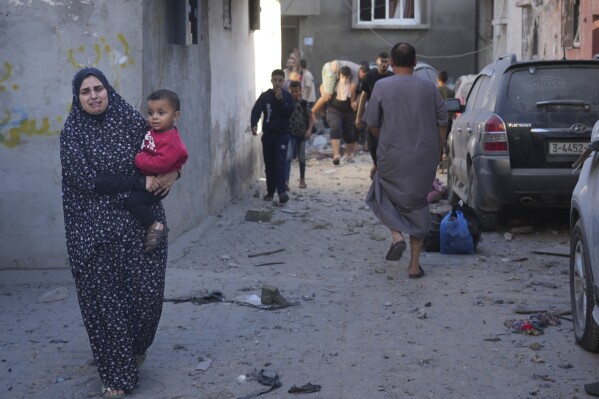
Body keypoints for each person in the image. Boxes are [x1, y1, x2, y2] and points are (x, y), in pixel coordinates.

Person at [60, 67, 181, 398]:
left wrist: (175, 173)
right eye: (86, 91)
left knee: (147, 300)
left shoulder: (128, 119)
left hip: (140, 224)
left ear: (108, 90)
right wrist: (138, 182)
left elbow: (166, 143)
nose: (94, 95)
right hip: (93, 230)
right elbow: (85, 181)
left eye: (99, 88)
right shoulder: (73, 133)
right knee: (106, 304)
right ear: (78, 97)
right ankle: (116, 375)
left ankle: (136, 348)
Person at [363, 43, 448, 278]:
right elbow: (443, 120)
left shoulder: (381, 86)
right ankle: (413, 266)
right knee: (418, 204)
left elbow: (370, 123)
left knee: (380, 192)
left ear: (391, 62)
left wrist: (386, 136)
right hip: (424, 157)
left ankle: (396, 235)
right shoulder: (429, 87)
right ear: (415, 62)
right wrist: (439, 149)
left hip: (392, 155)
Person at [127, 89, 188, 253]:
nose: (154, 117)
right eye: (150, 112)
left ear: (175, 116)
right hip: (149, 178)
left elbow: (159, 164)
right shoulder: (157, 130)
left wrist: (138, 159)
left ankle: (154, 225)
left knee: (132, 201)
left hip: (158, 183)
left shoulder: (170, 140)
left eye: (161, 113)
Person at [251, 69, 294, 204]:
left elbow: (288, 114)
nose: (277, 83)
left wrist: (280, 100)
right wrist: (254, 124)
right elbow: (256, 110)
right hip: (268, 135)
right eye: (275, 80)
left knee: (279, 162)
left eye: (280, 80)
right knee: (269, 165)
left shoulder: (288, 97)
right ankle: (270, 192)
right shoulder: (265, 96)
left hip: (282, 135)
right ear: (271, 81)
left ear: (284, 81)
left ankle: (281, 192)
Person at [355, 52, 393, 178]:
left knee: (387, 142)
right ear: (377, 62)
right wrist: (359, 117)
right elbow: (364, 96)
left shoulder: (392, 77)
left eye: (386, 61)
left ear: (390, 62)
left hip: (388, 114)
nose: (384, 64)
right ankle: (376, 164)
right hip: (372, 112)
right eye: (381, 61)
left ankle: (383, 168)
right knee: (372, 143)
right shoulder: (369, 76)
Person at [314, 65, 358, 165]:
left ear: (350, 76)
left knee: (348, 133)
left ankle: (348, 154)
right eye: (343, 76)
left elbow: (360, 94)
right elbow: (323, 86)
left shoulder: (353, 85)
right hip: (334, 109)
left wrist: (356, 102)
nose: (344, 79)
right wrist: (323, 96)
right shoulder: (334, 83)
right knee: (335, 128)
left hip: (348, 111)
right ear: (339, 75)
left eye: (346, 77)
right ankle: (336, 155)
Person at [285, 80, 314, 189]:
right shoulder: (286, 103)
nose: (294, 94)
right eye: (291, 91)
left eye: (296, 91)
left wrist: (309, 130)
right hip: (290, 134)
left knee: (301, 157)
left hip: (301, 135)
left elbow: (311, 118)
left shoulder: (304, 103)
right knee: (288, 157)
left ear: (300, 91)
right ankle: (286, 181)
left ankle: (302, 179)